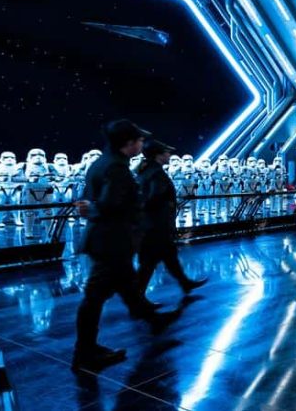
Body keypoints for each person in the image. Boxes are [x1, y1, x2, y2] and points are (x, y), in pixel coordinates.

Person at [72, 119, 174, 371]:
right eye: (139, 140)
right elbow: (111, 206)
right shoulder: (115, 168)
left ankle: (154, 321)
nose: (142, 144)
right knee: (95, 297)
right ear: (128, 143)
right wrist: (95, 210)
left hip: (109, 241)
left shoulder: (102, 163)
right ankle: (84, 353)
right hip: (112, 242)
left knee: (128, 287)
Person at [135, 139, 207, 298]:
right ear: (158, 155)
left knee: (169, 256)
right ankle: (136, 299)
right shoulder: (156, 173)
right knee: (149, 262)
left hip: (153, 225)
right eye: (166, 152)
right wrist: (166, 208)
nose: (169, 155)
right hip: (156, 226)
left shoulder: (147, 170)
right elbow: (153, 199)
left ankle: (185, 283)